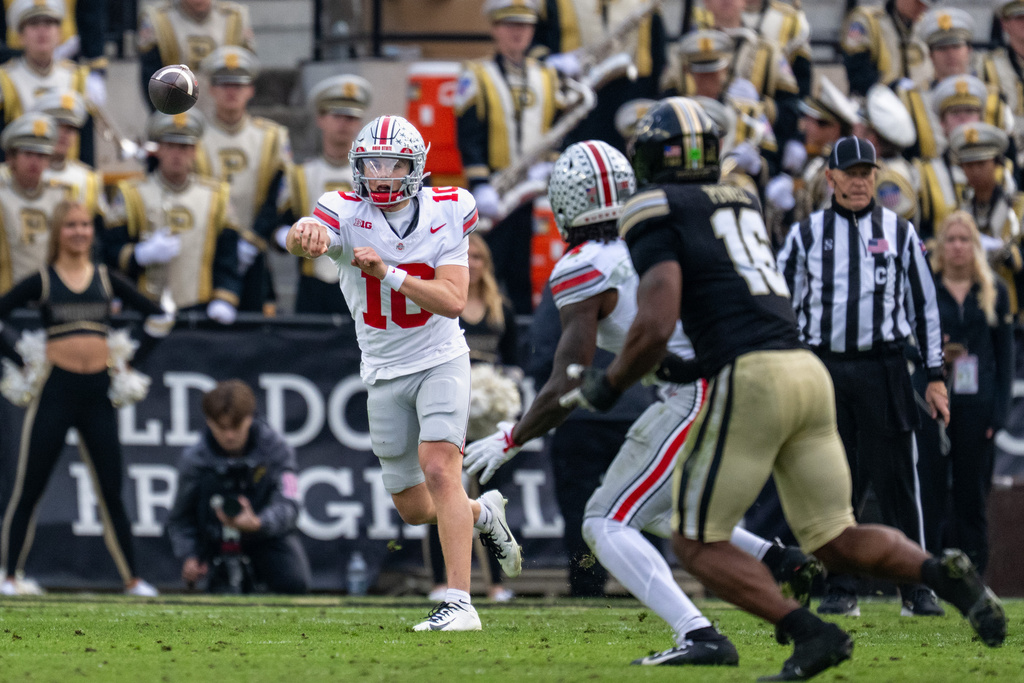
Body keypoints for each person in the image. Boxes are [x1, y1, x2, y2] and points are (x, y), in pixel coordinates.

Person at [566, 96, 1006, 680]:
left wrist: (611, 381)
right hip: (807, 370)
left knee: (695, 541)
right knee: (835, 536)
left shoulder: (653, 205)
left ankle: (810, 634)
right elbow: (738, 299)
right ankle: (938, 573)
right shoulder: (741, 199)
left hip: (754, 379)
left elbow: (657, 318)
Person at [465, 138, 820, 665]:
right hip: (745, 380)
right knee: (657, 507)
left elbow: (569, 380)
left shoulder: (584, 265)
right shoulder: (657, 241)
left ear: (565, 203)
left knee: (603, 520)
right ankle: (781, 560)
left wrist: (514, 436)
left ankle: (698, 634)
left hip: (695, 391)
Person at [286, 114, 522, 631]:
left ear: (415, 168)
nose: (382, 175)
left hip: (440, 357)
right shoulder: (343, 210)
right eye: (372, 164)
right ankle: (482, 514)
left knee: (440, 470)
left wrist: (387, 273)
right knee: (415, 509)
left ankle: (459, 602)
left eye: (393, 164)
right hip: (383, 369)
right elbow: (307, 237)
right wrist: (301, 233)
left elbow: (455, 300)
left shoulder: (449, 209)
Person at [777, 135, 948, 618]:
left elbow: (925, 308)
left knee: (898, 479)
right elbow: (778, 303)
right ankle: (840, 585)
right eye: (848, 173)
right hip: (824, 367)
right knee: (834, 482)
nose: (857, 181)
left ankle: (916, 586)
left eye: (865, 173)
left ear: (876, 177)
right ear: (829, 177)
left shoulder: (900, 232)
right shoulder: (806, 234)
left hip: (884, 365)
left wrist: (934, 375)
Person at [0, 199, 173, 596]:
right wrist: (21, 362)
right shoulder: (43, 279)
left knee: (111, 489)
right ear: (58, 233)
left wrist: (130, 363)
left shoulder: (106, 278)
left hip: (97, 394)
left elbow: (159, 316)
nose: (79, 232)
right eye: (70, 226)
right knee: (30, 485)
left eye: (84, 225)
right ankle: (10, 576)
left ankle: (132, 579)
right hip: (55, 391)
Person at [916, 212, 1014, 577]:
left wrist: (999, 414)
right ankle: (932, 573)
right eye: (952, 239)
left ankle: (975, 574)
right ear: (942, 246)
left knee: (972, 493)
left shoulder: (994, 291)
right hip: (935, 403)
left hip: (978, 404)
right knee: (932, 491)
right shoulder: (927, 289)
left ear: (975, 246)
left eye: (965, 239)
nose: (958, 246)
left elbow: (1005, 357)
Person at [454, 0, 565, 314]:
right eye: (510, 25)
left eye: (525, 26)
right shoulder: (476, 74)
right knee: (488, 265)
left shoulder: (548, 75)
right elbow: (469, 133)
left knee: (521, 270)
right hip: (494, 190)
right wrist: (480, 183)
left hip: (527, 188)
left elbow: (559, 128)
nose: (518, 33)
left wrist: (549, 163)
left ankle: (520, 337)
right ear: (495, 29)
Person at [427, 232, 519, 603]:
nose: (475, 264)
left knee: (485, 493)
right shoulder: (444, 301)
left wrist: (502, 395)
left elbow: (513, 364)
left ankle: (494, 585)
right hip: (448, 401)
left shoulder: (502, 309)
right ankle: (441, 581)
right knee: (440, 487)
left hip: (486, 413)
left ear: (487, 264)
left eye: (480, 257)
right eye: (469, 257)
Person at [166, 379, 311, 594]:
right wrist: (191, 555)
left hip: (265, 535)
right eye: (221, 428)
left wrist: (258, 523)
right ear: (209, 422)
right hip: (213, 540)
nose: (229, 435)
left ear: (250, 418)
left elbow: (290, 503)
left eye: (236, 426)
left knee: (294, 583)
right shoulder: (194, 459)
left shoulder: (276, 450)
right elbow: (180, 517)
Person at [104, 109, 242, 321]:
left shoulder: (216, 196)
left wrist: (224, 298)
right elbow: (110, 250)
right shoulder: (131, 194)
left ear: (195, 151)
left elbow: (227, 256)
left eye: (184, 147)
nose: (177, 154)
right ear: (158, 149)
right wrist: (139, 255)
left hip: (198, 307)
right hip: (143, 307)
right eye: (170, 146)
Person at [196, 46, 292, 315]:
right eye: (224, 84)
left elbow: (279, 195)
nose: (232, 91)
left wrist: (253, 240)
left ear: (251, 89)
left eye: (239, 84)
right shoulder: (193, 137)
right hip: (206, 255)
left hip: (255, 253)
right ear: (211, 88)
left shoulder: (272, 137)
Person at [275, 73, 372, 316]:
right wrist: (285, 235)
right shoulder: (299, 175)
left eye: (351, 117)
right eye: (337, 115)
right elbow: (277, 222)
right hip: (312, 286)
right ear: (320, 119)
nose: (344, 124)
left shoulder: (374, 176)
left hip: (364, 283)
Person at [0, 0, 94, 164]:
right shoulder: (5, 78)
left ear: (60, 34)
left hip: (67, 176)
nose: (42, 31)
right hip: (22, 179)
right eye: (34, 24)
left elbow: (85, 143)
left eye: (50, 24)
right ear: (20, 35)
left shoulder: (77, 77)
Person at [947, 122, 1023, 314]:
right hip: (973, 306)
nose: (974, 171)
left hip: (1013, 304)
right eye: (968, 165)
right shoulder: (960, 211)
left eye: (981, 163)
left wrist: (1011, 255)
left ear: (997, 164)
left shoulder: (1018, 207)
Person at [0, 112, 71, 294]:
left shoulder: (61, 197)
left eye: (41, 155)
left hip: (50, 296)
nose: (35, 162)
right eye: (28, 153)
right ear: (10, 158)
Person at [137, 0, 255, 108]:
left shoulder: (234, 16)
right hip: (178, 111)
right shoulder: (158, 18)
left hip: (225, 111)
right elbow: (151, 76)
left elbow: (247, 74)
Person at [31, 89, 107, 228]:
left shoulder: (88, 180)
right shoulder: (22, 173)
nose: (64, 134)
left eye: (70, 129)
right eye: (57, 126)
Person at [840, 0, 933, 97]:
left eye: (925, 4)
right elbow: (858, 73)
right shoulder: (868, 20)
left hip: (917, 104)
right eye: (917, 2)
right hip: (874, 104)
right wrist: (893, 87)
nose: (922, 7)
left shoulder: (924, 26)